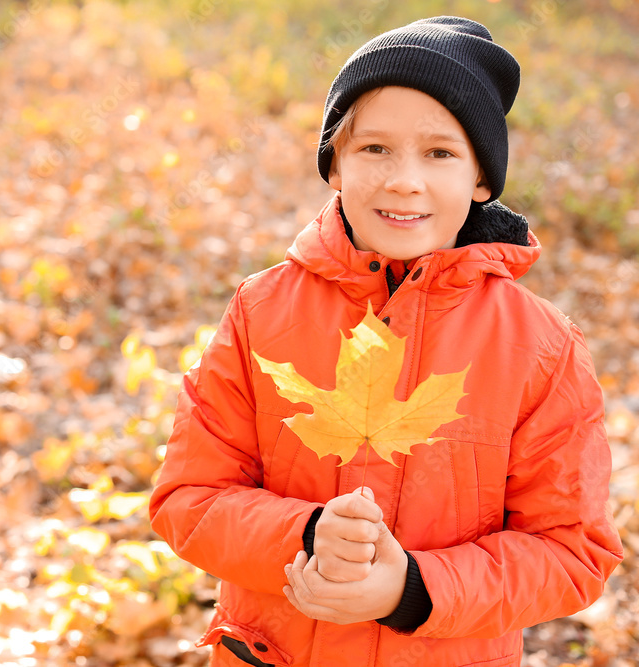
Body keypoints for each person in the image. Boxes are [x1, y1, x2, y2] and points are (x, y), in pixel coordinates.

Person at [149, 16, 623, 666]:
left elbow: (572, 550)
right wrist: (308, 533)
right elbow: (188, 497)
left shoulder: (542, 347)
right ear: (335, 163)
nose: (404, 179)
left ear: (481, 179)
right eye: (374, 149)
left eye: (440, 153)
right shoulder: (261, 311)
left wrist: (412, 588)